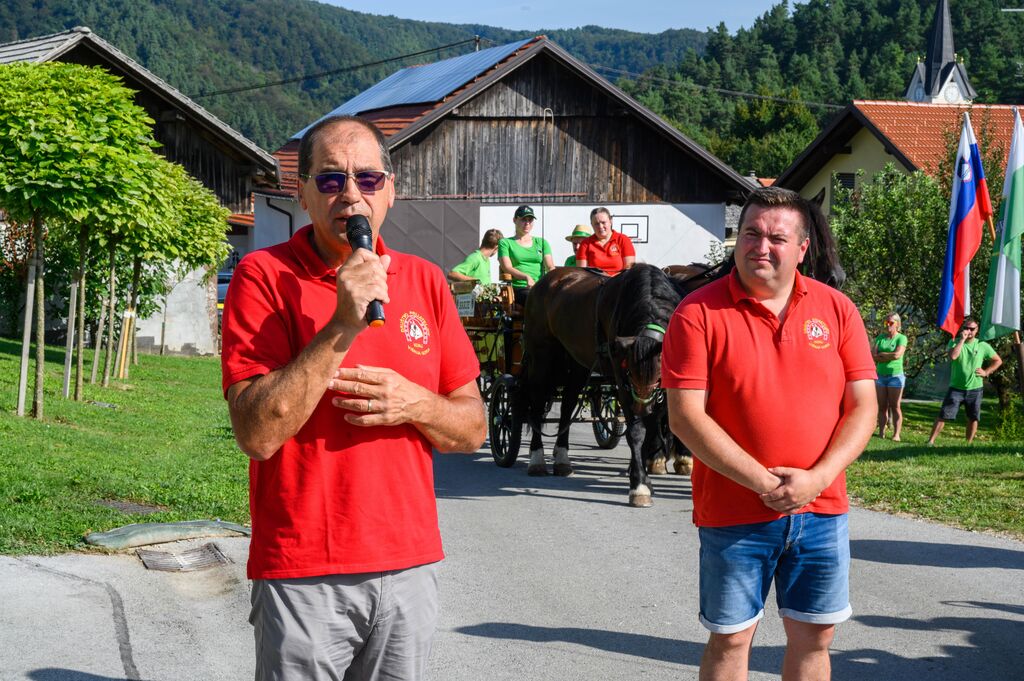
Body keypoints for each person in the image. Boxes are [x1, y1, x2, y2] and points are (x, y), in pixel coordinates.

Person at [220, 115, 487, 681]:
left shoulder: (425, 280)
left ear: (389, 190)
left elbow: (472, 429)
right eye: (330, 179)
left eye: (367, 179)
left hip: (409, 565)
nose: (350, 195)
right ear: (302, 193)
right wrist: (343, 323)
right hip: (304, 568)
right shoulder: (262, 275)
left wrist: (415, 403)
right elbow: (257, 434)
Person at [662, 186, 877, 681]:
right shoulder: (697, 313)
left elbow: (863, 407)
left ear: (802, 248)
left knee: (815, 637)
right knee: (731, 638)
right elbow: (685, 417)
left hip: (821, 510)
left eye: (777, 238)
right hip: (734, 511)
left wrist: (816, 479)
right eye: (751, 233)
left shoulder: (837, 309)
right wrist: (765, 483)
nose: (761, 246)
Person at [927, 317, 1002, 445]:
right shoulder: (954, 342)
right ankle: (930, 442)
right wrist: (961, 340)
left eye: (972, 329)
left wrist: (986, 372)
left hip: (975, 388)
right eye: (966, 328)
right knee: (944, 415)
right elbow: (953, 356)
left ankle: (968, 444)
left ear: (977, 330)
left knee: (973, 417)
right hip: (956, 388)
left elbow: (998, 360)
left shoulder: (982, 345)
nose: (968, 331)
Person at [498, 205, 555, 305]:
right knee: (537, 299)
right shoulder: (505, 243)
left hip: (541, 287)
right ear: (514, 220)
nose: (527, 223)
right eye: (524, 219)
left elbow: (550, 266)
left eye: (530, 220)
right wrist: (526, 277)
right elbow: (507, 267)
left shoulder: (542, 242)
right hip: (520, 287)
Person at [872, 312, 908, 441]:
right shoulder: (880, 338)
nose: (888, 325)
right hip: (880, 376)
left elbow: (897, 355)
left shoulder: (901, 338)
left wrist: (882, 354)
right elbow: (873, 355)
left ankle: (896, 434)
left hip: (895, 377)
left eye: (891, 322)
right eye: (886, 322)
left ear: (897, 324)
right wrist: (888, 355)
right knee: (882, 406)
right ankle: (881, 432)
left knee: (895, 406)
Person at [576, 207, 636, 275]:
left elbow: (629, 270)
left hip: (619, 281)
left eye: (603, 222)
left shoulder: (623, 239)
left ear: (610, 221)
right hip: (594, 281)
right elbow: (582, 272)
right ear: (592, 225)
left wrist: (612, 278)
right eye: (596, 223)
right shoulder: (585, 244)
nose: (600, 226)